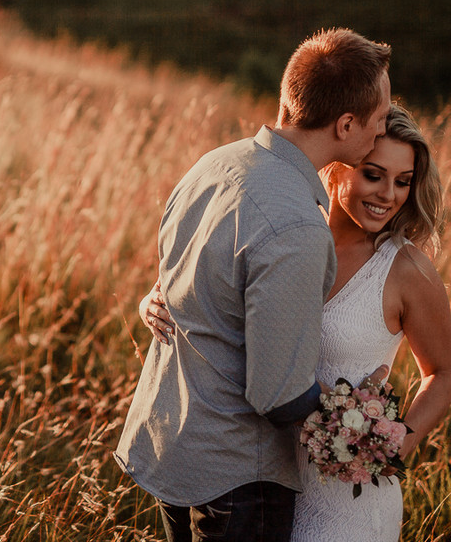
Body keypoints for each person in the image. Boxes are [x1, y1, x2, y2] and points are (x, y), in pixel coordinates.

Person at [113, 28, 394, 541]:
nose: (382, 132)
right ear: (346, 123)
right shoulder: (298, 228)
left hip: (170, 444)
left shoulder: (213, 164)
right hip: (237, 478)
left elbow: (181, 286)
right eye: (377, 122)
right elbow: (277, 394)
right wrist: (359, 421)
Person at [140, 104, 451, 542]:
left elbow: (442, 374)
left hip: (346, 496)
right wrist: (152, 301)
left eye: (403, 182)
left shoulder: (407, 271)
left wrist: (393, 443)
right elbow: (214, 291)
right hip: (254, 467)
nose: (389, 194)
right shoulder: (288, 228)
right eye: (373, 175)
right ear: (338, 168)